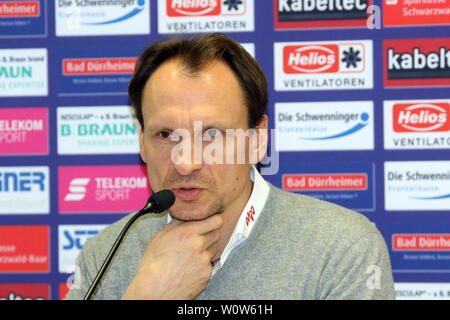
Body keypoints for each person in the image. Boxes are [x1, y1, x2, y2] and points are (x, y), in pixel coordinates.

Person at [66, 33, 395, 300]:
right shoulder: (105, 255)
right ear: (142, 143)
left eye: (212, 134)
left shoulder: (342, 248)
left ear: (257, 139)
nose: (186, 162)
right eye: (165, 134)